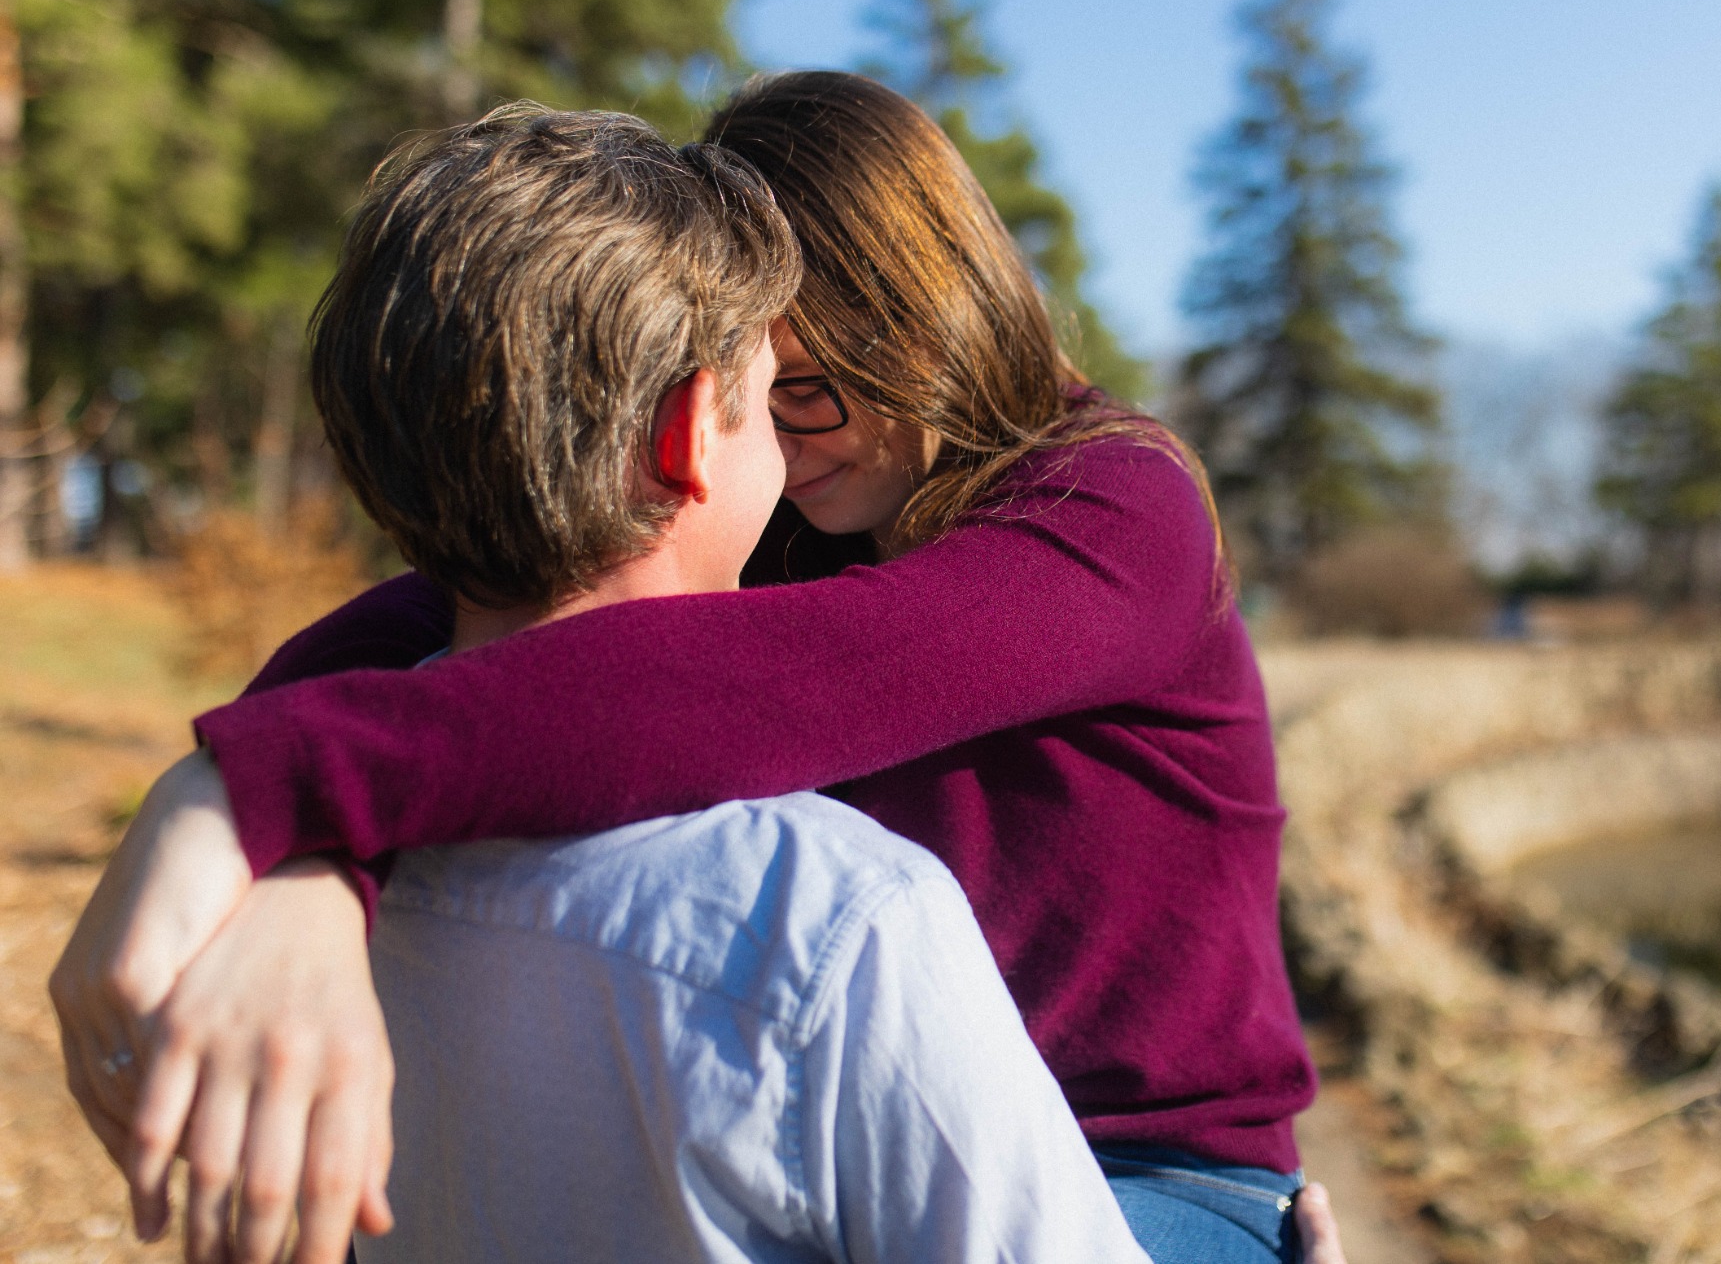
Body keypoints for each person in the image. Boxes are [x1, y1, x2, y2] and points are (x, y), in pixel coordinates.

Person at [55, 73, 1340, 1263]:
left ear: (927, 316)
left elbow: (752, 687)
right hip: (886, 1129)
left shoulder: (1113, 508)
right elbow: (446, 619)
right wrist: (300, 865)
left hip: (1153, 1174)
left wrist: (256, 790)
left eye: (812, 385)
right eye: (754, 390)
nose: (779, 436)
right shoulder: (804, 504)